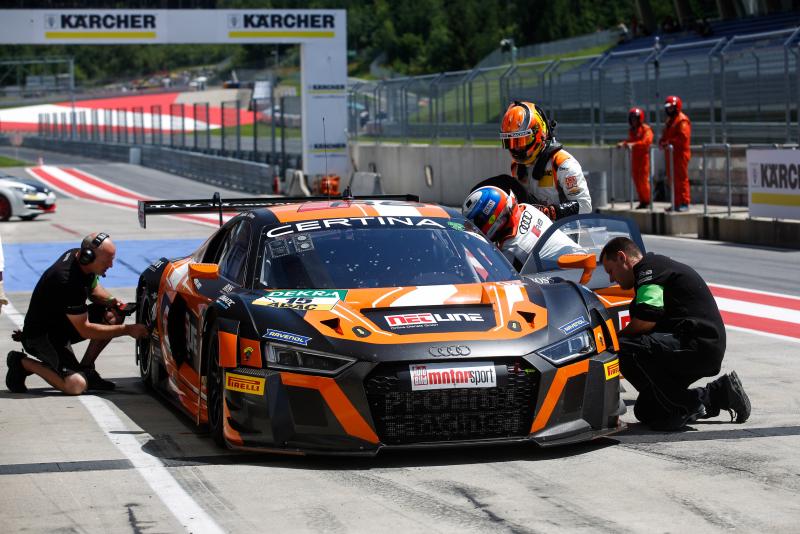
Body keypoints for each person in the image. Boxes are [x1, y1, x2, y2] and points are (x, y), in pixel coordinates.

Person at [599, 236, 751, 430]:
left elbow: (646, 320)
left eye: (610, 271)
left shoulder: (649, 271)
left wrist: (613, 339)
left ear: (622, 258)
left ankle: (687, 405)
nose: (611, 279)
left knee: (623, 347)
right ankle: (720, 393)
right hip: (693, 345)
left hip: (698, 345)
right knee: (647, 410)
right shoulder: (653, 270)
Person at [5, 232, 148, 395]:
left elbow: (94, 290)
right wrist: (128, 330)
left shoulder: (79, 257)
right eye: (107, 261)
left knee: (113, 314)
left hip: (62, 325)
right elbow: (85, 330)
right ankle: (21, 363)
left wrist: (113, 301)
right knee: (75, 385)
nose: (111, 265)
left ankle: (86, 368)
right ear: (88, 257)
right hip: (41, 337)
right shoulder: (66, 280)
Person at [475, 100, 591, 221]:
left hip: (562, 230)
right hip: (531, 229)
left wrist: (549, 212)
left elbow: (584, 205)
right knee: (503, 183)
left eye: (521, 142)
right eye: (511, 142)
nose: (516, 148)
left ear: (539, 134)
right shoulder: (516, 166)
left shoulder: (563, 163)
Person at [462, 185, 585, 271]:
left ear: (494, 220)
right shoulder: (527, 208)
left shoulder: (511, 250)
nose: (476, 228)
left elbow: (501, 282)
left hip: (569, 282)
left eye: (478, 223)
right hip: (582, 260)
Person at [659, 95, 692, 212]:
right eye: (668, 108)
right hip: (671, 154)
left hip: (680, 154)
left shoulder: (682, 120)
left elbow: (683, 137)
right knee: (672, 179)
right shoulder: (670, 121)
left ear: (677, 107)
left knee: (681, 178)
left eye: (671, 108)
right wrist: (662, 142)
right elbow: (665, 135)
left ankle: (684, 202)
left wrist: (668, 142)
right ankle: (676, 202)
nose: (669, 110)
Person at [617, 107, 654, 209]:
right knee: (637, 180)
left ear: (639, 119)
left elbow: (646, 142)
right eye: (632, 119)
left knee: (643, 180)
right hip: (635, 158)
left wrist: (633, 144)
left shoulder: (646, 129)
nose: (633, 121)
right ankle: (642, 201)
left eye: (635, 118)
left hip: (643, 158)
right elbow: (630, 141)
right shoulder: (632, 131)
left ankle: (647, 200)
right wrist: (624, 143)